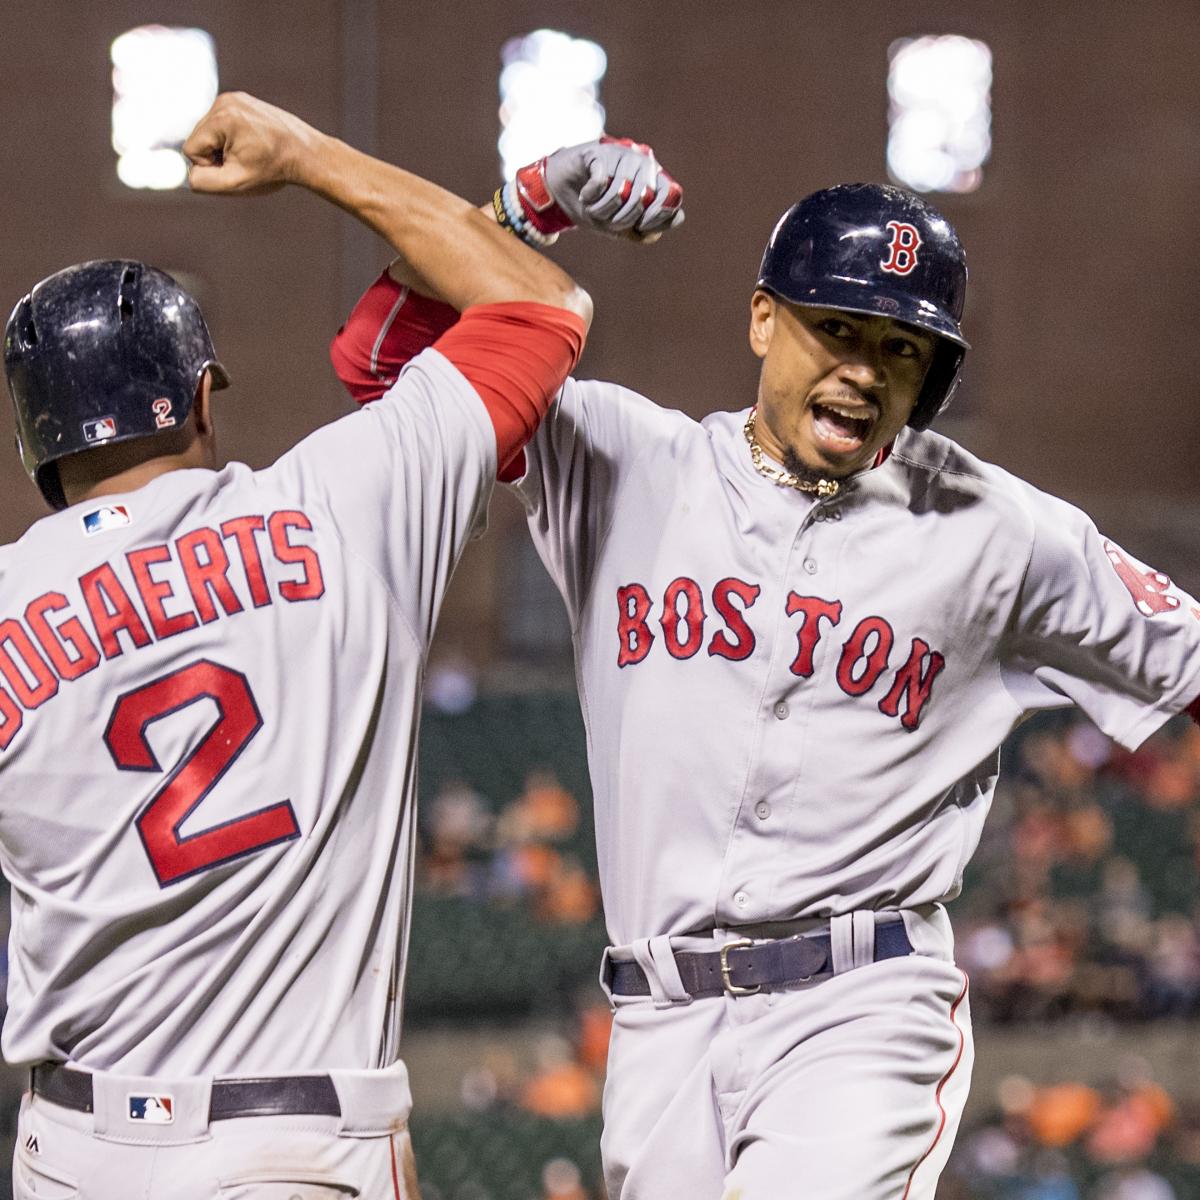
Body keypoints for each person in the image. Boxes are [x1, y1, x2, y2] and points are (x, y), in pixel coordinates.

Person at [332, 176, 1200, 1200]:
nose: (863, 370)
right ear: (761, 318)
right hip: (660, 1021)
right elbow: (385, 367)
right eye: (836, 327)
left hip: (861, 1005)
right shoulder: (621, 458)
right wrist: (529, 205)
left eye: (900, 349)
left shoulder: (1003, 532)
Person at [0, 88, 608, 1200]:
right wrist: (310, 156)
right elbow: (537, 308)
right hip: (294, 1146)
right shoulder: (342, 501)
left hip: (73, 1152)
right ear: (199, 400)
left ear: (36, 438)